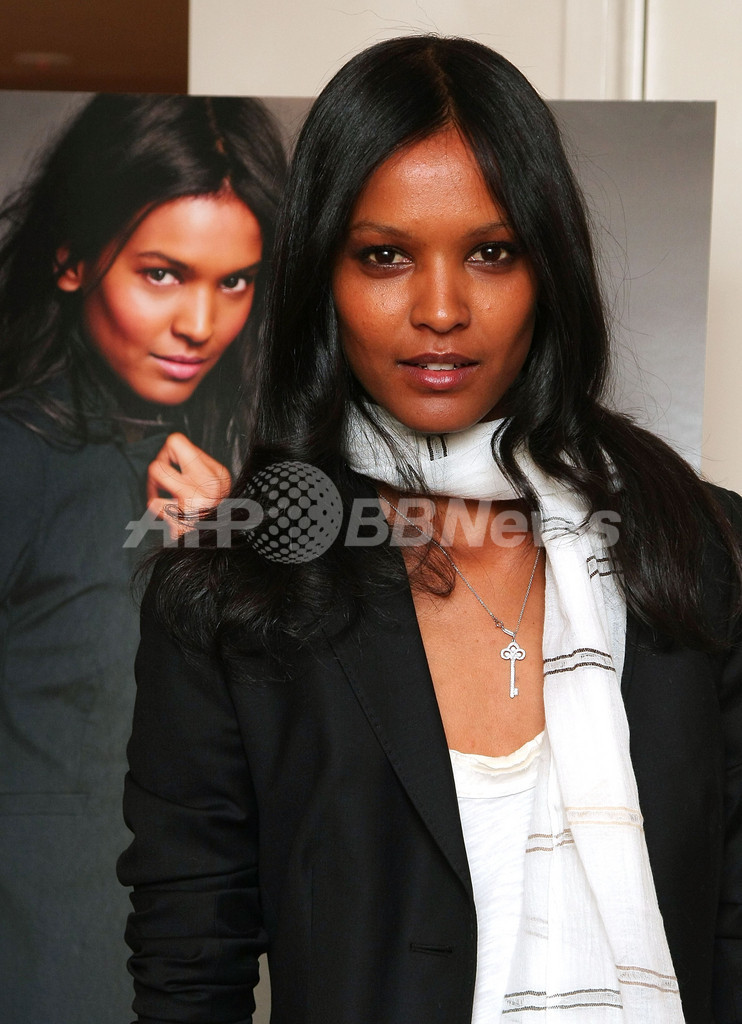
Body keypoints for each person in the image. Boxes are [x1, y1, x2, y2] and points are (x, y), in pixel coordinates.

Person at [118, 37, 742, 1024]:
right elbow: (190, 972)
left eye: (491, 252)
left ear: (549, 267)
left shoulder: (702, 550)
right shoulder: (230, 586)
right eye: (385, 255)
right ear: (322, 274)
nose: (440, 309)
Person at [0, 93, 286, 1024]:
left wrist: (227, 557)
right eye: (163, 274)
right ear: (73, 258)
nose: (200, 322)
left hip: (182, 976)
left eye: (235, 282)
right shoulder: (18, 459)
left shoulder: (243, 475)